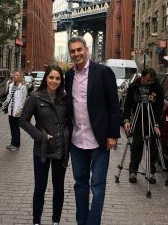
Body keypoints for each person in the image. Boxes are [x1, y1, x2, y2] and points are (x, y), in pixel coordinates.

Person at [65, 36, 120, 225]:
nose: (76, 54)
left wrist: (113, 135)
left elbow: (114, 106)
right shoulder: (69, 76)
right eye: (72, 51)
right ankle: (81, 221)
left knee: (97, 186)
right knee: (80, 185)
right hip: (76, 141)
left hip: (99, 141)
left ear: (86, 49)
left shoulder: (103, 72)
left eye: (79, 49)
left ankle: (93, 222)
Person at [20, 65, 69, 225]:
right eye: (51, 77)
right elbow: (23, 120)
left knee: (58, 189)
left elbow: (72, 120)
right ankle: (36, 221)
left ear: (61, 81)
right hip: (41, 150)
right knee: (40, 188)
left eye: (57, 78)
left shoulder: (65, 98)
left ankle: (56, 221)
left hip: (60, 149)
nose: (54, 81)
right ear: (46, 79)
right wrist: (40, 135)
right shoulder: (35, 97)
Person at [122, 68, 164, 184]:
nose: (149, 83)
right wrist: (126, 120)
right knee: (136, 145)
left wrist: (156, 124)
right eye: (147, 80)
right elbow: (127, 105)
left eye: (152, 81)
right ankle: (133, 171)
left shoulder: (157, 87)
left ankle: (151, 172)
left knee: (153, 147)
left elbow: (159, 107)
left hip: (152, 119)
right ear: (142, 77)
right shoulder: (133, 86)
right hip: (138, 118)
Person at [2, 70, 27, 151]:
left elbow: (23, 101)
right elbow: (9, 97)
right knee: (12, 128)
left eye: (16, 75)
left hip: (17, 111)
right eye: (14, 75)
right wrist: (4, 104)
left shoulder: (23, 87)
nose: (14, 76)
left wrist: (19, 111)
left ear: (20, 77)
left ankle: (16, 144)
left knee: (16, 128)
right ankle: (12, 143)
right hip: (11, 110)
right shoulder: (11, 85)